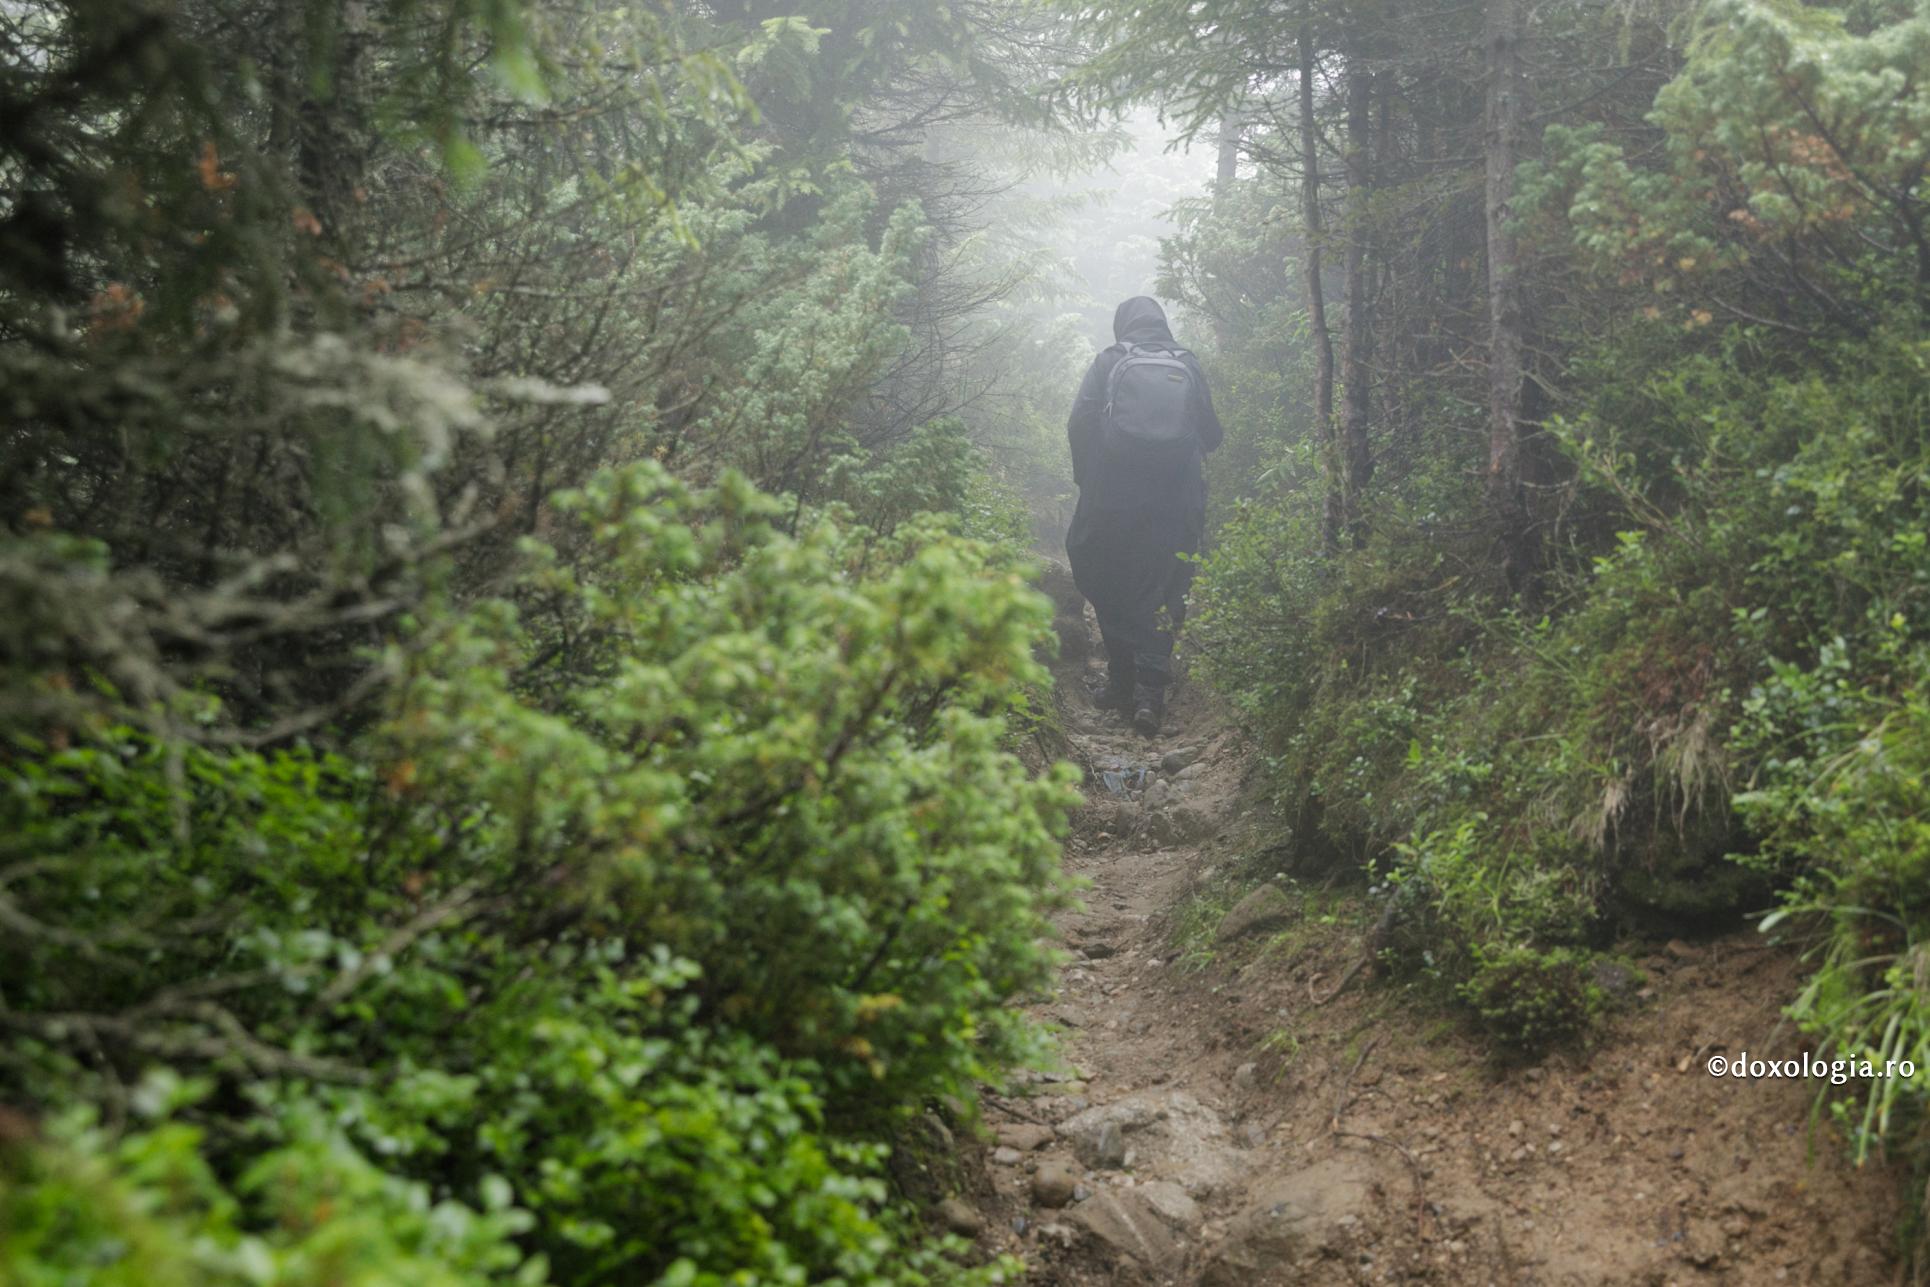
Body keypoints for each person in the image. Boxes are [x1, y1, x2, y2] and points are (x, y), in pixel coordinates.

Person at [1065, 296, 1223, 737]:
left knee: (1105, 575)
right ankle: (1149, 697)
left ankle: (1121, 682)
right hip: (1176, 502)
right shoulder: (1186, 362)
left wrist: (1089, 479)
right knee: (1166, 587)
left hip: (1112, 499)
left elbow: (1078, 423)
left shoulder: (1109, 360)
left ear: (1123, 325)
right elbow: (1211, 435)